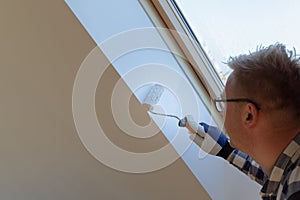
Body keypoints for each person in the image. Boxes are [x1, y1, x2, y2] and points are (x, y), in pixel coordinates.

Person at [185, 43, 300, 200]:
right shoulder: (290, 170)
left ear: (248, 115)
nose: (221, 112)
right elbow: (273, 176)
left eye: (224, 102)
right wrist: (225, 150)